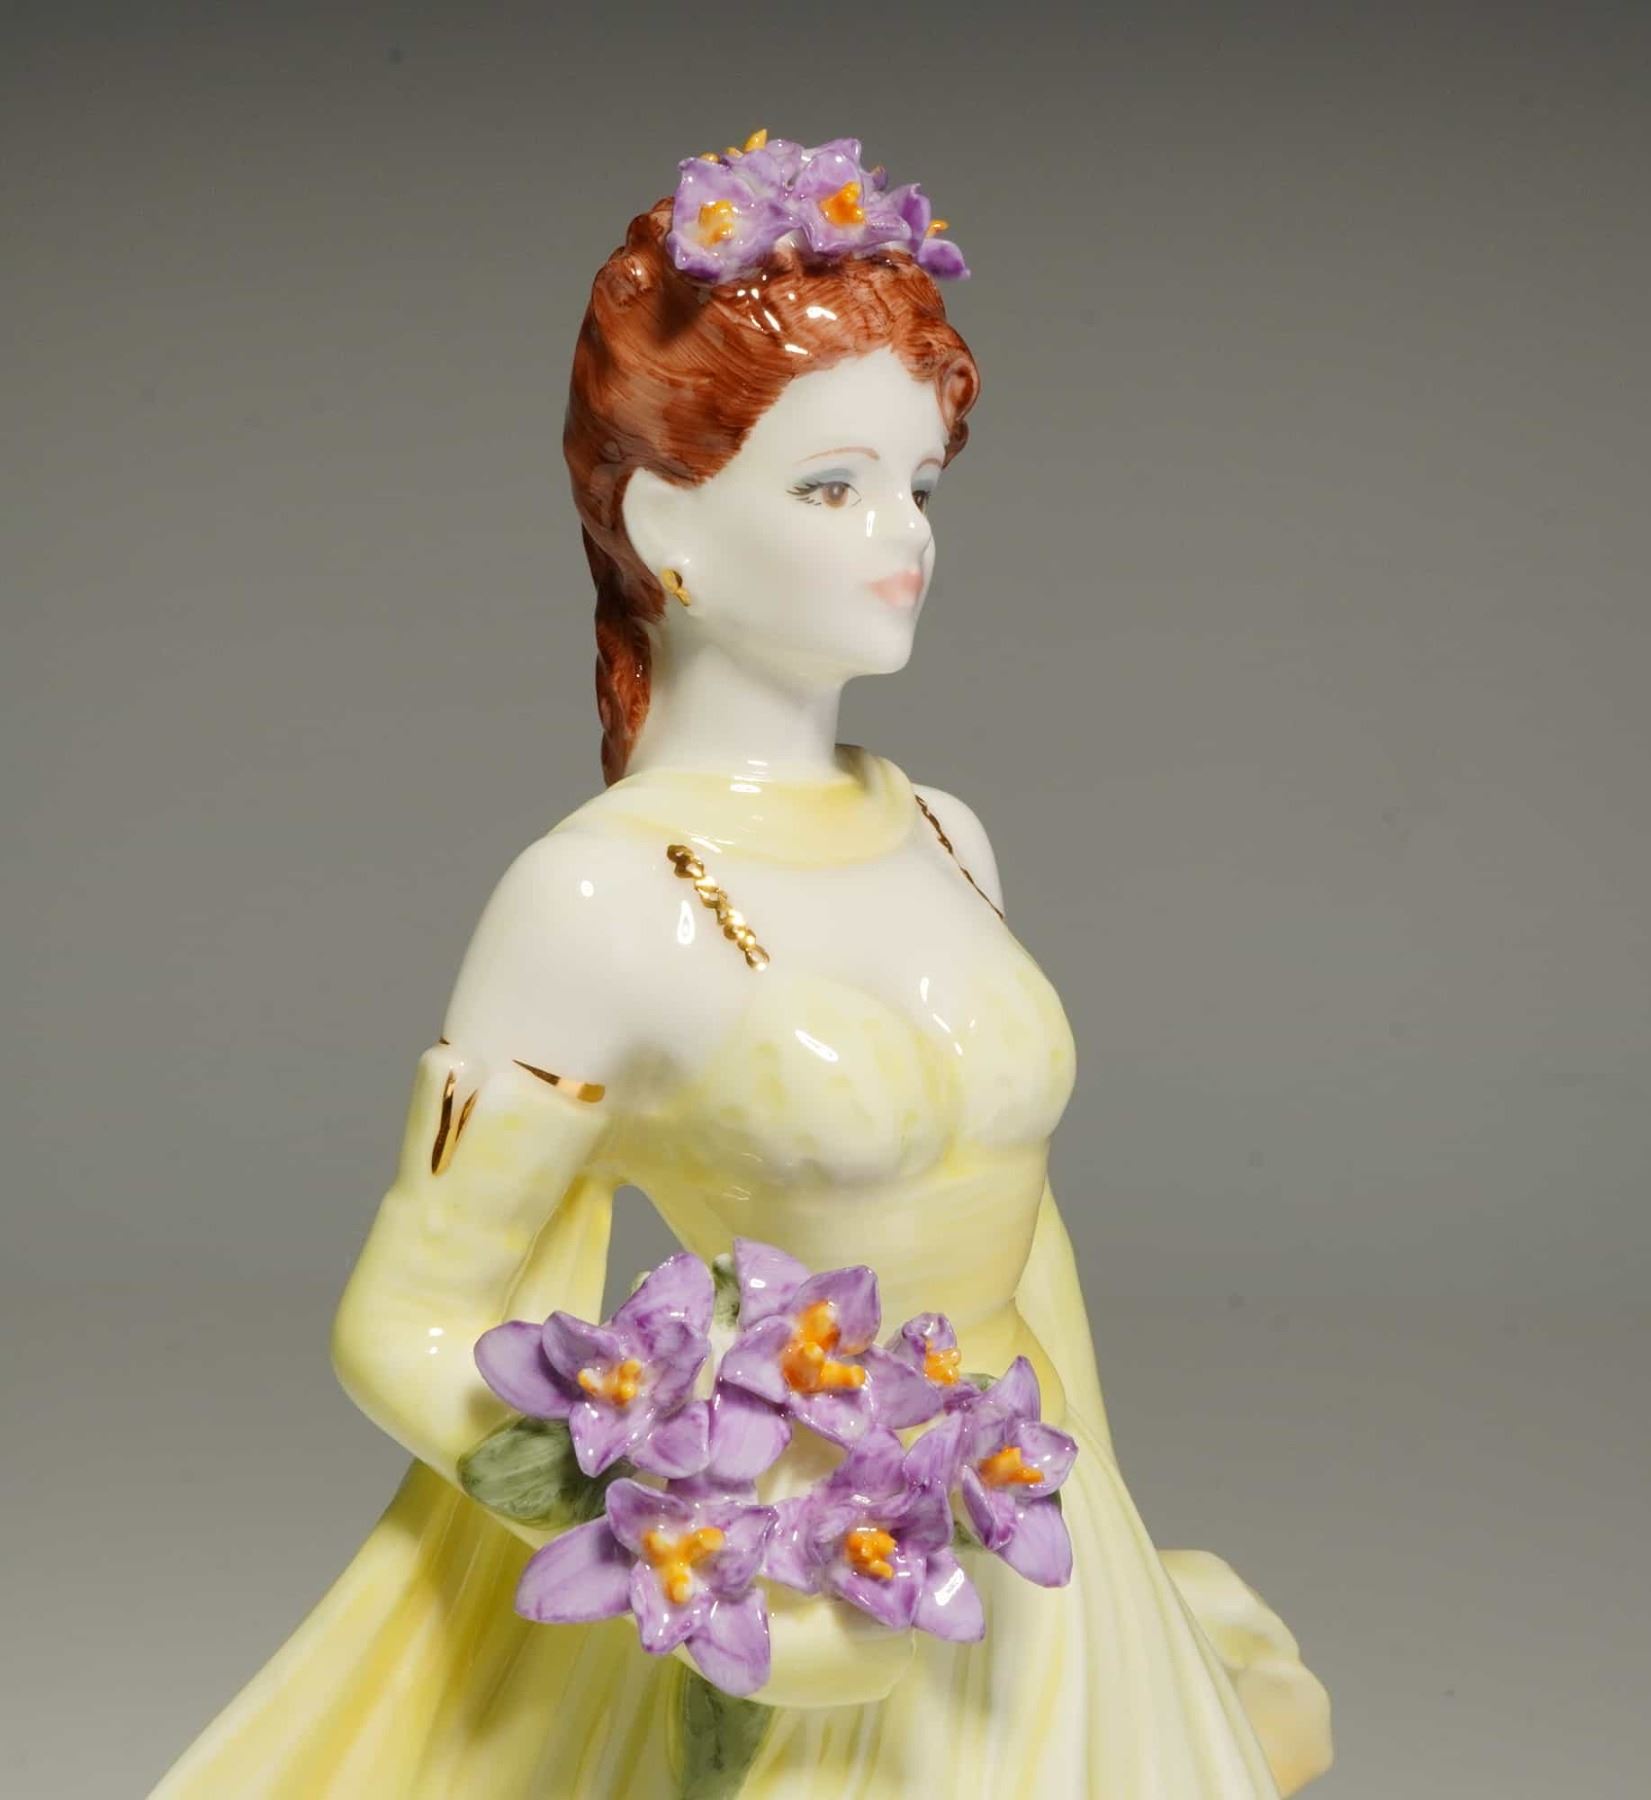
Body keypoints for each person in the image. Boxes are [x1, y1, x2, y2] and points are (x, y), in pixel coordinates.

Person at [152, 133, 1332, 1798]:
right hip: (807, 1579)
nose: (904, 534)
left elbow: (1030, 1237)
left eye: (921, 485)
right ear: (667, 526)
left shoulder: (944, 834)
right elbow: (404, 1320)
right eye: (833, 487)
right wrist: (680, 1535)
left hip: (1022, 1548)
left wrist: (1103, 1520)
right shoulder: (599, 898)